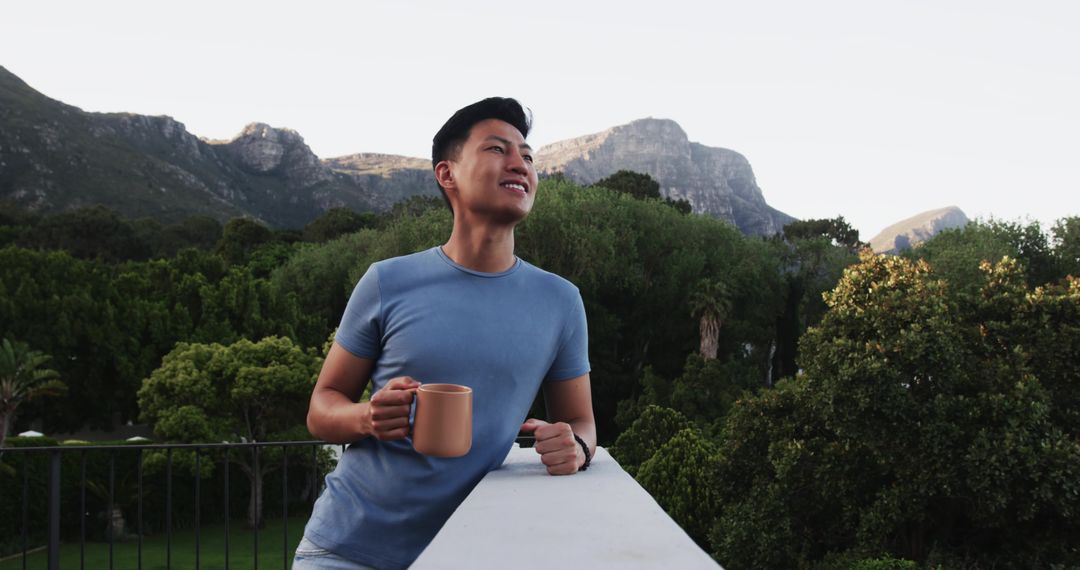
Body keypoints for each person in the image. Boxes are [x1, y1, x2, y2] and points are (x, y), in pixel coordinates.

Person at [294, 97, 596, 570]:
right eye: (498, 149)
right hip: (346, 552)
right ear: (447, 174)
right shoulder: (386, 281)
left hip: (474, 555)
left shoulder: (561, 301)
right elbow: (322, 406)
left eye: (528, 155)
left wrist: (574, 446)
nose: (520, 163)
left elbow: (582, 422)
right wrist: (368, 419)